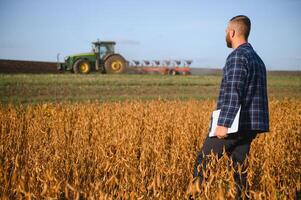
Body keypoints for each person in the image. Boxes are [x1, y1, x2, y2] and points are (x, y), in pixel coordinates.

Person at [193, 15, 269, 199]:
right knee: (239, 169)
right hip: (250, 126)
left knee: (204, 162)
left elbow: (234, 91)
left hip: (234, 124)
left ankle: (193, 197)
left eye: (226, 32)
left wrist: (223, 124)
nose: (226, 35)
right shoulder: (257, 58)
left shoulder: (237, 57)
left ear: (232, 32)